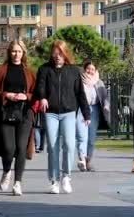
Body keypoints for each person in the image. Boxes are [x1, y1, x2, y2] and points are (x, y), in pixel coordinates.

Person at [0, 40, 37, 196]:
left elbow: (37, 94)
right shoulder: (0, 70)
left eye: (19, 51)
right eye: (13, 51)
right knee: (8, 148)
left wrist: (26, 96)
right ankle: (6, 171)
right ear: (9, 52)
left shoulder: (29, 72)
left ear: (23, 53)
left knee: (21, 148)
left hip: (24, 114)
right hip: (5, 114)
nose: (16, 54)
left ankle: (17, 182)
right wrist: (6, 95)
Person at [37, 40, 90, 194]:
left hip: (68, 112)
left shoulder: (73, 71)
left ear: (65, 53)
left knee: (69, 144)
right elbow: (39, 87)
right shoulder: (44, 69)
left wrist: (86, 113)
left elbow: (80, 93)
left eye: (60, 53)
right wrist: (43, 97)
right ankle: (54, 180)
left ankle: (66, 176)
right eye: (55, 53)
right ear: (52, 54)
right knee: (52, 147)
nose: (57, 56)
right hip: (51, 113)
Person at [75, 60, 111, 172]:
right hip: (81, 109)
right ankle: (81, 158)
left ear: (95, 71)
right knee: (82, 135)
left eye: (92, 69)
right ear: (84, 69)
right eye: (88, 68)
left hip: (94, 109)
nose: (90, 71)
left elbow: (105, 95)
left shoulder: (99, 82)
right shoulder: (79, 81)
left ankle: (88, 160)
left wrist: (106, 105)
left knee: (91, 138)